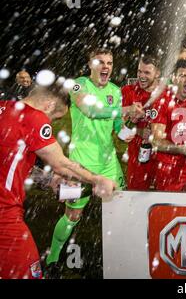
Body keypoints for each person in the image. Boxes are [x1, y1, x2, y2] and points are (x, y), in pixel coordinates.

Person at [0, 84, 116, 279]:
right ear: (48, 105)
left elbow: (9, 161)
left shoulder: (4, 108)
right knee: (29, 272)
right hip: (4, 215)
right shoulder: (33, 117)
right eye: (55, 118)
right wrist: (96, 179)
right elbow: (62, 165)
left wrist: (49, 180)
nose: (51, 123)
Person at [45, 48, 135, 268]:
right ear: (91, 65)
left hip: (108, 163)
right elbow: (90, 110)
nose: (106, 67)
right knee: (72, 216)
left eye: (109, 63)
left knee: (123, 207)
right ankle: (52, 259)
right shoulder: (79, 84)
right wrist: (122, 110)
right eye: (101, 62)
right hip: (81, 165)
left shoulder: (116, 90)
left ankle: (125, 259)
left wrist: (127, 130)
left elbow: (117, 126)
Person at [150, 59, 186, 191]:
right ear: (174, 79)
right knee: (169, 209)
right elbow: (156, 142)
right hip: (169, 167)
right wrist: (181, 149)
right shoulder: (161, 101)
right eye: (183, 76)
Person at [121, 55, 166, 190]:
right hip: (138, 162)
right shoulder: (128, 92)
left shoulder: (167, 93)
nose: (141, 76)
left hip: (164, 160)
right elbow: (121, 133)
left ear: (157, 73)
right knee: (136, 202)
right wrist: (135, 125)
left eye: (147, 72)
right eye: (139, 71)